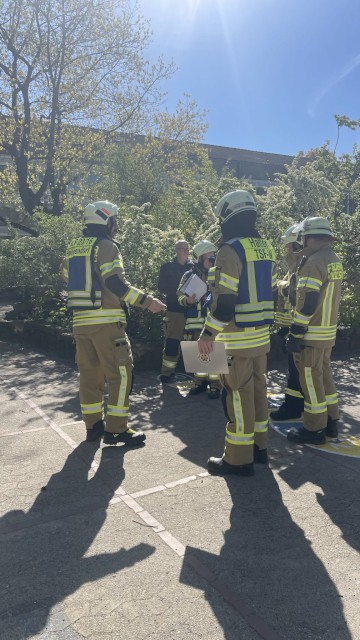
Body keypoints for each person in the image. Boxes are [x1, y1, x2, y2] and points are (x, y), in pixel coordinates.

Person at [62, 200, 165, 444]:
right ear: (107, 221)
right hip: (107, 325)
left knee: (89, 376)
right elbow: (115, 284)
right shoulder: (106, 246)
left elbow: (67, 277)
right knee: (121, 375)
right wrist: (148, 302)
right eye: (114, 220)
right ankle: (117, 429)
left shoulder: (74, 247)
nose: (116, 225)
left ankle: (93, 426)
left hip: (80, 323)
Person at [198, 190, 276, 476]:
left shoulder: (230, 250)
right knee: (258, 393)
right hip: (260, 339)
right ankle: (260, 448)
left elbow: (225, 304)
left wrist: (207, 336)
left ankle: (237, 459)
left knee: (237, 398)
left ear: (227, 217)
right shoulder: (265, 247)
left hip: (236, 341)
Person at [286, 216, 343, 445]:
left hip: (311, 334)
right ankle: (331, 422)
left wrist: (295, 331)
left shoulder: (313, 262)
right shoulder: (333, 259)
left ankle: (314, 429)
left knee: (310, 381)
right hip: (327, 334)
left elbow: (308, 302)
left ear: (308, 237)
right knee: (325, 378)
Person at [177, 239, 221, 399]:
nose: (213, 261)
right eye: (210, 258)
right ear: (199, 258)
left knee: (214, 354)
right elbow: (179, 297)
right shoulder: (189, 275)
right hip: (195, 324)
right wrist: (187, 301)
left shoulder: (219, 274)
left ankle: (216, 385)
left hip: (212, 324)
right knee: (197, 354)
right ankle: (199, 382)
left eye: (214, 258)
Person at [270, 223, 305, 421]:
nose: (286, 250)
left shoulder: (302, 266)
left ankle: (293, 408)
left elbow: (295, 295)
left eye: (289, 246)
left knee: (296, 372)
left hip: (300, 330)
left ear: (297, 245)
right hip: (295, 328)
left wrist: (279, 286)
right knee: (296, 371)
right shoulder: (298, 265)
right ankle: (297, 404)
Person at [158, 239, 192, 383]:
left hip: (192, 311)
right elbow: (161, 287)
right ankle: (167, 373)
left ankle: (199, 375)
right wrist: (179, 291)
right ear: (176, 250)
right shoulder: (167, 267)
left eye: (187, 249)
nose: (186, 251)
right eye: (183, 249)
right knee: (172, 342)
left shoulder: (193, 267)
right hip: (174, 310)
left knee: (194, 343)